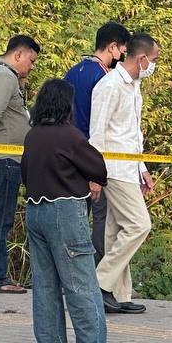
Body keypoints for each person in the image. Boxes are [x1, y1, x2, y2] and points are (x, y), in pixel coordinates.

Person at [21, 79, 125, 343]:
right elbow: (97, 167)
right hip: (65, 211)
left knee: (45, 284)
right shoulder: (69, 135)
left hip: (34, 210)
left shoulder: (32, 135)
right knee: (81, 282)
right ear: (66, 104)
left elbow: (25, 173)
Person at [89, 32, 158, 315]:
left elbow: (133, 134)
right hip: (112, 168)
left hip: (129, 167)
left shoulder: (134, 86)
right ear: (141, 58)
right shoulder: (109, 85)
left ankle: (118, 294)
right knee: (139, 225)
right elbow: (97, 133)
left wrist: (142, 168)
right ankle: (98, 284)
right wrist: (94, 175)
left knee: (115, 231)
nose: (153, 66)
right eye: (153, 60)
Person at [0, 34, 40, 294]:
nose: (31, 67)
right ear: (18, 55)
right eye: (31, 61)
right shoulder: (5, 76)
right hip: (4, 158)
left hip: (1, 158)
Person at [63, 21, 131, 265]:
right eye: (122, 51)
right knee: (102, 220)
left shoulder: (73, 72)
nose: (123, 57)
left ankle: (72, 269)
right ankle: (99, 274)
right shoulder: (106, 77)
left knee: (75, 219)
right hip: (93, 158)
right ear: (112, 47)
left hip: (68, 155)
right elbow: (101, 125)